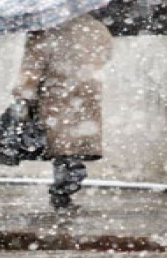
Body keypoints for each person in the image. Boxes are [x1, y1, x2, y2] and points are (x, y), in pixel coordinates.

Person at [12, 14, 113, 210]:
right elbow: (105, 56)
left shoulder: (44, 30)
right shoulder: (97, 28)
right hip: (86, 94)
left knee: (62, 147)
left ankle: (63, 189)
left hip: (57, 96)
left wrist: (23, 94)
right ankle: (68, 184)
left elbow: (31, 68)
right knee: (74, 146)